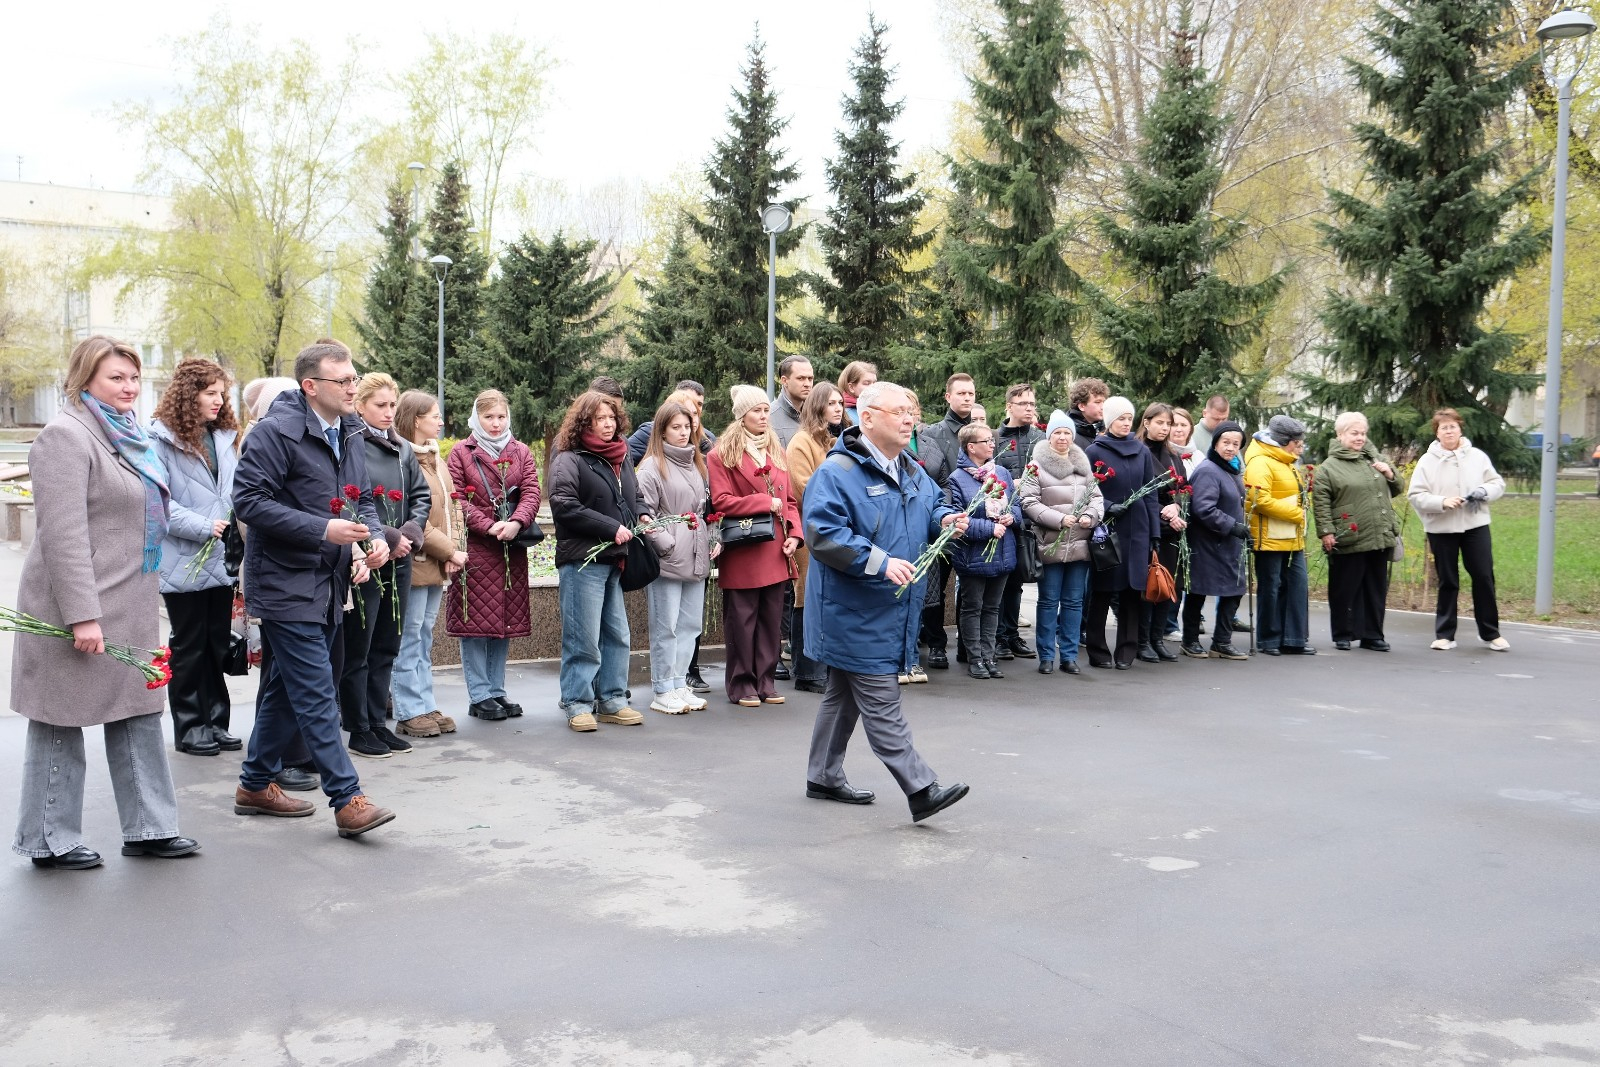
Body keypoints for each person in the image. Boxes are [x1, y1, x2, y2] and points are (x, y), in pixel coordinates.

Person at [11, 336, 200, 870]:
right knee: (59, 717)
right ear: (85, 378)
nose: (129, 387)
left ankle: (151, 829)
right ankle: (48, 838)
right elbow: (62, 535)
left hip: (130, 600)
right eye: (117, 377)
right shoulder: (65, 436)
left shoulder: (131, 434)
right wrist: (82, 616)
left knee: (139, 712)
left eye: (134, 377)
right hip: (74, 604)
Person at [232, 337, 394, 837]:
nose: (352, 387)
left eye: (353, 377)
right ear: (310, 385)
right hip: (284, 582)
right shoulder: (274, 433)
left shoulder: (350, 429)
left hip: (328, 580)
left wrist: (372, 540)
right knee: (318, 691)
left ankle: (254, 784)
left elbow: (361, 500)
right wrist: (322, 529)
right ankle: (347, 799)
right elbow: (248, 502)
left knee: (288, 688)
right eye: (342, 380)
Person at [802, 381, 971, 823]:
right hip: (852, 610)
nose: (908, 419)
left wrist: (945, 520)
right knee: (881, 701)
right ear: (868, 418)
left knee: (842, 696)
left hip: (889, 608)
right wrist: (879, 562)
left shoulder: (909, 467)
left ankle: (822, 776)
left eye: (910, 411)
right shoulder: (837, 473)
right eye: (898, 412)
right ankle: (921, 789)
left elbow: (931, 506)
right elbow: (822, 534)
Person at [150, 357, 242, 758]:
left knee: (216, 642)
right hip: (183, 559)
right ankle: (190, 727)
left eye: (222, 393)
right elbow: (158, 503)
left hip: (221, 557)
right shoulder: (160, 440)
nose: (219, 400)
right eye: (210, 393)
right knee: (189, 644)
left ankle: (216, 721)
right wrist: (205, 526)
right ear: (189, 395)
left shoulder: (223, 436)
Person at [338, 373, 428, 758]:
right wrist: (388, 537)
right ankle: (358, 727)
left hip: (399, 558)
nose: (389, 412)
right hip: (368, 555)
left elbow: (421, 495)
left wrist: (408, 533)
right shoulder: (350, 444)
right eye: (380, 405)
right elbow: (348, 500)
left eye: (393, 404)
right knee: (360, 646)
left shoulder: (403, 448)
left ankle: (378, 723)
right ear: (360, 406)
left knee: (388, 643)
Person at [548, 390, 648, 730]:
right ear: (584, 423)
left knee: (617, 634)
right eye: (599, 419)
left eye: (611, 418)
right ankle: (577, 702)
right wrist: (611, 527)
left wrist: (643, 514)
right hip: (582, 560)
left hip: (614, 558)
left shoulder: (622, 455)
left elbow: (634, 494)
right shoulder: (569, 458)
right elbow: (563, 504)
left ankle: (612, 700)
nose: (607, 425)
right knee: (583, 638)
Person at [445, 389, 542, 722]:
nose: (496, 423)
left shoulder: (521, 451)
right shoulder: (462, 452)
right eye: (489, 417)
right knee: (475, 622)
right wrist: (488, 525)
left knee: (503, 621)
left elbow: (532, 491)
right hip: (475, 548)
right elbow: (457, 499)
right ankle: (479, 694)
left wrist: (517, 522)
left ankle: (496, 689)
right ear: (477, 418)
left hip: (510, 548)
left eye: (501, 417)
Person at [709, 385, 803, 707]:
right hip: (744, 548)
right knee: (742, 621)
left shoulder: (776, 450)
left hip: (776, 547)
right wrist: (765, 502)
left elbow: (790, 501)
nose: (764, 416)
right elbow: (721, 501)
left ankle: (765, 681)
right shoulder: (721, 454)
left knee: (770, 621)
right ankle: (742, 684)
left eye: (766, 410)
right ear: (741, 415)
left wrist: (794, 534)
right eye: (756, 411)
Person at [636, 400, 716, 714]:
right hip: (668, 558)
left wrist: (712, 537)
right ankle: (662, 688)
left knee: (689, 625)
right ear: (662, 431)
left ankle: (679, 683)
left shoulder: (697, 463)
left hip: (696, 553)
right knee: (665, 626)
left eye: (687, 427)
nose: (683, 433)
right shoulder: (651, 467)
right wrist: (666, 544)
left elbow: (704, 509)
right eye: (676, 427)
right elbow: (644, 513)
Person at [392, 390, 463, 739]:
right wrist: (449, 550)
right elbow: (414, 517)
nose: (441, 421)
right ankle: (408, 710)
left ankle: (425, 702)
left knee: (424, 636)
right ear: (416, 419)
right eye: (434, 415)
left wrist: (454, 550)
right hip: (417, 561)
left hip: (436, 562)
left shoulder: (436, 457)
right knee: (410, 636)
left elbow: (453, 509)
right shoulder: (403, 458)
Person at [1407, 407, 1508, 652]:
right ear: (1437, 433)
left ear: (1460, 429)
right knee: (1448, 580)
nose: (1449, 431)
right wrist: (1442, 502)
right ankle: (1445, 635)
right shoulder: (1427, 461)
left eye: (1453, 426)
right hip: (1441, 528)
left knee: (1483, 576)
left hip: (1475, 525)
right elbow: (1416, 495)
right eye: (1444, 428)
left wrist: (1483, 491)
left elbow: (1496, 483)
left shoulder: (1477, 456)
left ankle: (1491, 633)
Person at [1021, 410, 1103, 675]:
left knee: (1073, 602)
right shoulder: (1035, 467)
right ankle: (1046, 656)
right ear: (1049, 436)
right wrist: (1059, 519)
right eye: (1057, 432)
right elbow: (1028, 501)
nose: (1063, 437)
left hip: (1080, 544)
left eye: (1067, 432)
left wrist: (1090, 516)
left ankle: (1069, 656)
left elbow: (1096, 498)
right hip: (1050, 543)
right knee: (1048, 601)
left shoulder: (1083, 465)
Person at [1084, 396, 1162, 669]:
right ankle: (1097, 651)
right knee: (1103, 591)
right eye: (1121, 418)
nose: (1126, 423)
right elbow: (1086, 491)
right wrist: (1107, 506)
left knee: (1132, 591)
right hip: (1108, 529)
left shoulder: (1141, 451)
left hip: (1138, 529)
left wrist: (1154, 533)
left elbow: (1150, 493)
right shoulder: (1094, 451)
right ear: (1109, 421)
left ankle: (1127, 651)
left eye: (1129, 418)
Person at [1314, 412, 1401, 651]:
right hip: (1349, 535)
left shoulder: (1375, 458)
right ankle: (1343, 633)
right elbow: (1321, 502)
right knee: (1344, 588)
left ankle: (1373, 635)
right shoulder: (1329, 468)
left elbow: (1398, 487)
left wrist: (1390, 473)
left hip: (1379, 533)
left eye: (1363, 433)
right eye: (1354, 433)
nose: (1360, 438)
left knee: (1376, 588)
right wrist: (1326, 532)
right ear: (1340, 435)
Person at [946, 423, 1024, 679]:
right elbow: (957, 519)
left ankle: (989, 657)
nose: (992, 445)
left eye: (992, 440)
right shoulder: (957, 479)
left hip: (1003, 552)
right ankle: (975, 658)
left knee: (992, 607)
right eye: (986, 441)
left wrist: (1012, 517)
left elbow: (1016, 505)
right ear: (971, 447)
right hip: (973, 555)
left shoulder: (1001, 472)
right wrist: (989, 528)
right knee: (972, 607)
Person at [915, 373, 978, 670]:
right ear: (948, 397)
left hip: (975, 523)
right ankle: (936, 643)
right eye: (961, 393)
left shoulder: (981, 433)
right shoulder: (933, 435)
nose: (967, 398)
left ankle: (968, 646)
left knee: (971, 587)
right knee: (935, 587)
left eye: (971, 393)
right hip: (942, 519)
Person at [786, 382, 845, 694]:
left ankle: (823, 669)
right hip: (810, 533)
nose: (838, 408)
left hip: (833, 530)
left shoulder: (832, 441)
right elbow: (802, 487)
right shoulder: (801, 442)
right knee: (805, 597)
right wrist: (843, 497)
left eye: (840, 403)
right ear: (817, 406)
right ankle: (807, 672)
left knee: (824, 599)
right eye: (831, 403)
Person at [1244, 414, 1315, 656]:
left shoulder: (1286, 461)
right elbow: (1257, 499)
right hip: (1269, 537)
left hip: (1292, 536)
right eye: (1297, 443)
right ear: (1284, 441)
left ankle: (1294, 638)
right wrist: (1295, 513)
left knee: (1297, 585)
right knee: (1271, 587)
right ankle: (1269, 639)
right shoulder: (1260, 461)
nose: (1300, 447)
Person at [1180, 422, 1251, 661]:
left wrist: (1242, 529)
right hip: (1208, 542)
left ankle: (1222, 641)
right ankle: (1190, 641)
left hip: (1229, 543)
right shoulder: (1209, 470)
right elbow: (1203, 508)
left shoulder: (1231, 469)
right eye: (1226, 442)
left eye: (1235, 444)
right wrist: (1232, 525)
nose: (1230, 448)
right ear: (1216, 443)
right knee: (1198, 591)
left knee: (1234, 590)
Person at [993, 383, 1043, 661]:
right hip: (1002, 519)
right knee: (1000, 581)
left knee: (1017, 581)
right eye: (1023, 403)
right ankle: (998, 637)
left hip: (1030, 520)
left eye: (1032, 404)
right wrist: (1011, 484)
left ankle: (1012, 634)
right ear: (1009, 406)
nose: (1029, 408)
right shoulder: (995, 438)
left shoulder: (1041, 439)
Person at [1134, 403, 1186, 663]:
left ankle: (1157, 639)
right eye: (1160, 423)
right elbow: (1136, 492)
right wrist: (1162, 512)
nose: (1165, 428)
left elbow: (1184, 488)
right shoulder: (1138, 451)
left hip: (1172, 529)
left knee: (1168, 585)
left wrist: (1177, 507)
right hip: (1148, 527)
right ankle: (1142, 641)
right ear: (1146, 422)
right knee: (1149, 585)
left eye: (1169, 424)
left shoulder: (1173, 455)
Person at [627, 379, 715, 466]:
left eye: (699, 404)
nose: (694, 407)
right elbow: (624, 462)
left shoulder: (708, 440)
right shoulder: (649, 432)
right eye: (687, 399)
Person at [769, 356, 814, 447]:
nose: (807, 384)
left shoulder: (817, 415)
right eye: (800, 378)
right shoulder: (768, 418)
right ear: (785, 381)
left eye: (810, 379)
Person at [1067, 377, 1109, 452]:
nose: (1103, 407)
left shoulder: (1108, 431)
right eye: (1097, 402)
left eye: (1104, 402)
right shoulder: (1068, 435)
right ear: (1082, 406)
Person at [837, 361, 878, 426]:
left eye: (874, 383)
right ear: (851, 387)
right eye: (867, 383)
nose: (873, 387)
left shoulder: (877, 409)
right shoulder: (843, 416)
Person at [1169, 407, 1199, 475]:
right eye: (1174, 425)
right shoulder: (1162, 455)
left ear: (1190, 428)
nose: (1179, 429)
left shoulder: (1199, 456)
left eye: (1183, 425)